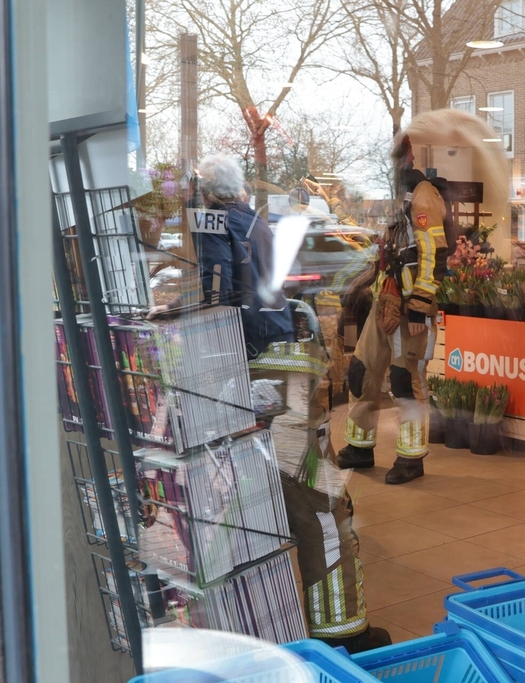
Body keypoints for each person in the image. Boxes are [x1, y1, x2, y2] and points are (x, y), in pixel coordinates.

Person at [152, 154, 390, 652]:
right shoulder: (254, 222)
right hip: (284, 375)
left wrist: (173, 312)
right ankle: (340, 626)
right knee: (314, 497)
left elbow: (216, 293)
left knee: (311, 503)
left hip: (262, 375)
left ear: (204, 193)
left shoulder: (214, 226)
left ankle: (344, 632)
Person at [335, 109, 509, 484]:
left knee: (405, 383)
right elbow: (392, 252)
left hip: (410, 308)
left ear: (409, 157)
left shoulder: (424, 196)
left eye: (400, 155)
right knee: (361, 373)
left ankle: (410, 459)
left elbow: (433, 253)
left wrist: (418, 305)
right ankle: (359, 448)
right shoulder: (400, 199)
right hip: (386, 302)